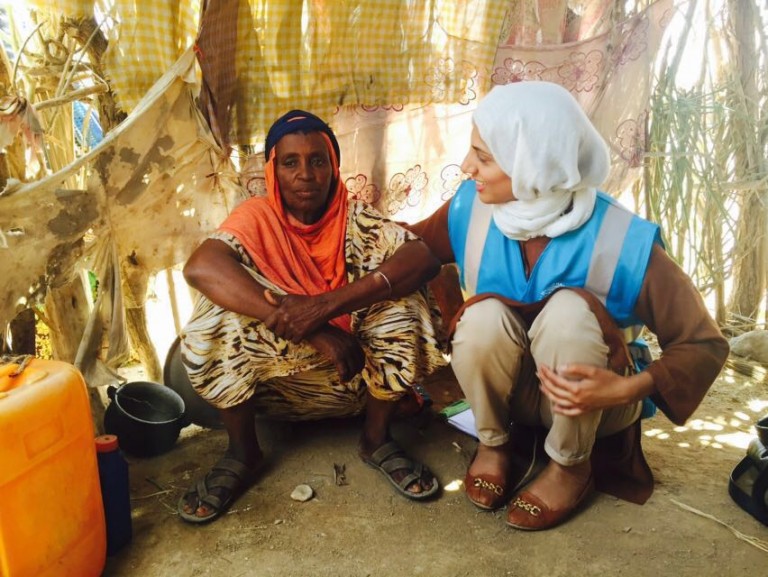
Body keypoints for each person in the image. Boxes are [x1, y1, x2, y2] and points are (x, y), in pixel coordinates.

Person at [408, 81, 729, 531]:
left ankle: (570, 466)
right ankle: (494, 443)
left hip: (597, 404)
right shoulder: (474, 207)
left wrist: (623, 391)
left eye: (484, 157)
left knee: (569, 314)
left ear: (534, 164)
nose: (467, 167)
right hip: (513, 396)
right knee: (480, 318)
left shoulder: (620, 237)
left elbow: (703, 343)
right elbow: (410, 249)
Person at [177, 110, 448, 523]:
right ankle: (243, 452)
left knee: (404, 301)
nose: (306, 174)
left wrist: (324, 305)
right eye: (290, 162)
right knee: (214, 314)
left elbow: (423, 257)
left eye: (317, 160)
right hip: (278, 394)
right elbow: (201, 267)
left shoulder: (354, 218)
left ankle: (376, 439)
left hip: (355, 384)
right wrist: (315, 330)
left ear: (333, 168)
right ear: (272, 170)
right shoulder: (257, 218)